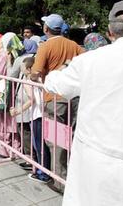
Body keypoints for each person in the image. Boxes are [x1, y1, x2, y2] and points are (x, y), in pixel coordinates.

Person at [43, 0, 123, 205]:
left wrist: (59, 71)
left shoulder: (89, 60)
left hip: (93, 163)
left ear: (110, 31)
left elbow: (57, 84)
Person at [30, 13, 83, 191]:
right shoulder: (74, 45)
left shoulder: (45, 46)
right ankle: (71, 175)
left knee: (56, 139)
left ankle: (60, 180)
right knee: (71, 136)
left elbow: (35, 72)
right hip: (73, 97)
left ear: (46, 29)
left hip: (53, 98)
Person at [10, 57, 51, 183]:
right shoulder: (40, 78)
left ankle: (42, 173)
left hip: (36, 115)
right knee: (43, 145)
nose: (22, 72)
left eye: (23, 69)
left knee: (39, 145)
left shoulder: (27, 81)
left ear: (28, 69)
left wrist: (18, 110)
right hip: (44, 113)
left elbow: (31, 99)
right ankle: (44, 171)